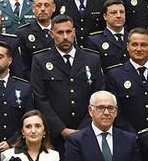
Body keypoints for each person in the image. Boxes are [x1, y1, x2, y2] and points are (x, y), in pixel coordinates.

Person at [29, 14, 104, 148]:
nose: (65, 37)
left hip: (88, 132)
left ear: (74, 32)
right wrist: (62, 130)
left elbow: (98, 96)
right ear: (52, 34)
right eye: (60, 32)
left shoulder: (92, 59)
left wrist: (84, 128)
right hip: (55, 136)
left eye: (68, 32)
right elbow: (40, 98)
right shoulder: (40, 60)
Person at [105, 28, 148, 132]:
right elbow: (115, 111)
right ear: (127, 46)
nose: (138, 49)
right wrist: (131, 135)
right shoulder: (115, 74)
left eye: (143, 45)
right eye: (134, 45)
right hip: (128, 137)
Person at [16, 0, 56, 77]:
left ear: (53, 8)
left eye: (46, 5)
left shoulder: (61, 30)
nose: (42, 9)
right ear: (33, 9)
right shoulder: (23, 33)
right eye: (39, 5)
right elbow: (23, 66)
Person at [85, 0, 129, 70]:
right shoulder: (95, 41)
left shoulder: (133, 37)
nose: (119, 16)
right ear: (105, 16)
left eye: (121, 12)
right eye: (113, 13)